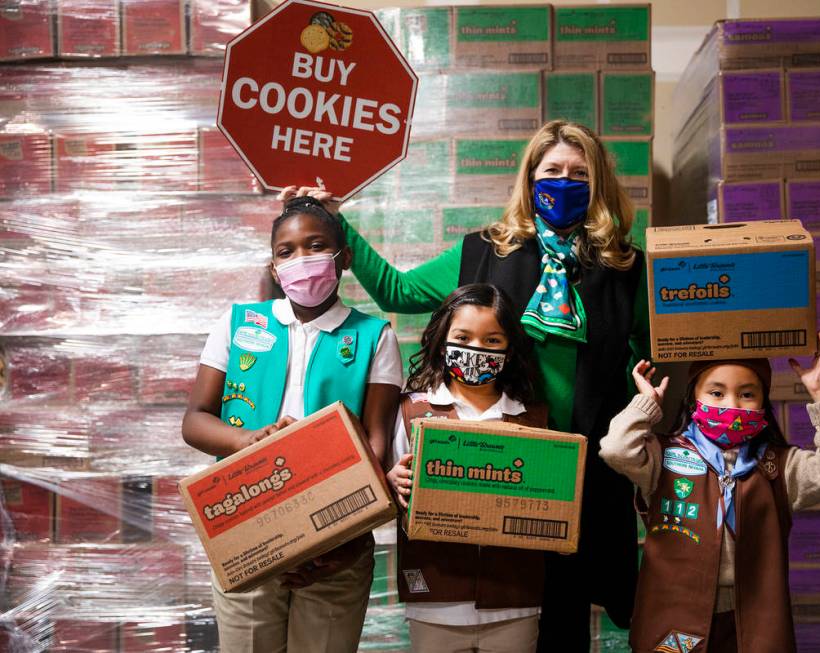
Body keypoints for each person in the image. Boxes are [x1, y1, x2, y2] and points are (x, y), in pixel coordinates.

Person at [280, 120, 647, 650]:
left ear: (599, 185)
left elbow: (650, 355)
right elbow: (398, 291)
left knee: (566, 625)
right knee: (500, 607)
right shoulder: (484, 251)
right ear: (530, 178)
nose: (564, 182)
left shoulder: (626, 269)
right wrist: (338, 222)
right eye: (552, 171)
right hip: (501, 469)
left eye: (579, 173)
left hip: (586, 481)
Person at [181, 196, 403, 653]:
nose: (301, 259)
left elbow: (377, 444)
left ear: (344, 257)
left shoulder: (374, 336)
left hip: (337, 549)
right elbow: (195, 421)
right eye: (286, 251)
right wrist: (248, 439)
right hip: (248, 537)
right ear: (274, 265)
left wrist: (334, 541)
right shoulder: (239, 323)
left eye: (316, 245)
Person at [599, 333, 820, 653]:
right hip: (675, 617)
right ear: (693, 396)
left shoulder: (778, 467)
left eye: (747, 394)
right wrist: (647, 405)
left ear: (763, 401)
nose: (732, 405)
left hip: (752, 619)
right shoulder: (665, 457)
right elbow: (616, 450)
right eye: (716, 392)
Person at [387, 283, 546, 653]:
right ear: (443, 340)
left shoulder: (533, 419)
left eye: (492, 340)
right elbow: (390, 487)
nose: (476, 349)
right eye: (463, 337)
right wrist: (392, 480)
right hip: (435, 600)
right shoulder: (411, 411)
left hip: (515, 600)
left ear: (510, 349)